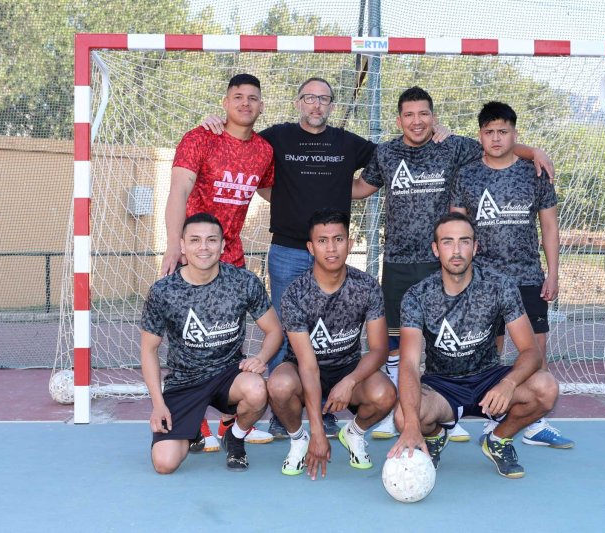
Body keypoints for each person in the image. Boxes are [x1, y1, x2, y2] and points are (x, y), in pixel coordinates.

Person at [201, 77, 447, 438]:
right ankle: (286, 412)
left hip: (332, 252)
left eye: (324, 99)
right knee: (289, 334)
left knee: (332, 332)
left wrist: (432, 127)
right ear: (299, 102)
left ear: (331, 105)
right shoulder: (276, 137)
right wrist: (215, 121)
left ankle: (327, 409)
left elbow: (393, 154)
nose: (316, 105)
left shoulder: (347, 143)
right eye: (309, 98)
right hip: (288, 250)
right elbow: (243, 142)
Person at [352, 86, 555, 442]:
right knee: (399, 345)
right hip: (399, 259)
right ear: (399, 120)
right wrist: (311, 186)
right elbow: (360, 188)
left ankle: (459, 408)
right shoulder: (385, 153)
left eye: (424, 114)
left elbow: (497, 146)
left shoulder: (454, 146)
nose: (417, 121)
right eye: (410, 115)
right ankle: (401, 409)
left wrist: (533, 151)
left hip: (443, 261)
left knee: (455, 341)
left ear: (433, 117)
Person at [388, 212, 559, 479]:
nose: (456, 251)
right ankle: (433, 438)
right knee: (403, 417)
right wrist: (411, 425)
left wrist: (509, 383)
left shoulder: (499, 286)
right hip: (442, 385)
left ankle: (498, 440)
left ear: (475, 247)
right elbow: (409, 364)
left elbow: (531, 352)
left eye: (464, 241)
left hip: (489, 380)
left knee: (546, 388)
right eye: (447, 242)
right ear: (435, 249)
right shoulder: (417, 296)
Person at [160, 73, 276, 450]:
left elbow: (274, 192)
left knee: (228, 339)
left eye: (253, 98)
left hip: (233, 258)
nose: (245, 103)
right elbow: (179, 190)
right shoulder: (200, 138)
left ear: (261, 106)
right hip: (194, 254)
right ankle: (194, 424)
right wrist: (173, 244)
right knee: (187, 338)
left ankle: (229, 422)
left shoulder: (263, 151)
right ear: (225, 103)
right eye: (238, 97)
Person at [451, 101, 573, 449]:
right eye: (489, 132)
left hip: (527, 276)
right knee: (487, 351)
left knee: (535, 350)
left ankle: (535, 422)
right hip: (482, 280)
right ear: (481, 136)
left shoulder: (534, 173)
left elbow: (549, 227)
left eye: (503, 131)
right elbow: (456, 227)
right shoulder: (468, 174)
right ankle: (491, 418)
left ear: (514, 134)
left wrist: (553, 273)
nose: (496, 138)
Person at [141, 213, 283, 474]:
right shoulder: (164, 291)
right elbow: (149, 349)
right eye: (195, 240)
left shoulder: (243, 282)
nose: (203, 247)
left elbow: (274, 329)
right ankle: (192, 427)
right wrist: (158, 404)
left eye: (211, 240)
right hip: (184, 382)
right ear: (182, 246)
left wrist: (261, 358)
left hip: (227, 376)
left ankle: (235, 436)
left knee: (257, 389)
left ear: (222, 245)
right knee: (164, 463)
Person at [267, 209, 395, 479]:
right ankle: (298, 440)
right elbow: (308, 366)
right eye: (323, 241)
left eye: (338, 239)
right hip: (304, 370)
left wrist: (350, 381)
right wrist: (316, 432)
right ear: (310, 248)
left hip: (347, 368)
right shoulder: (296, 293)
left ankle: (354, 433)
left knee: (386, 394)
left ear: (349, 243)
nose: (332, 247)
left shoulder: (367, 286)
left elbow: (380, 349)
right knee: (278, 385)